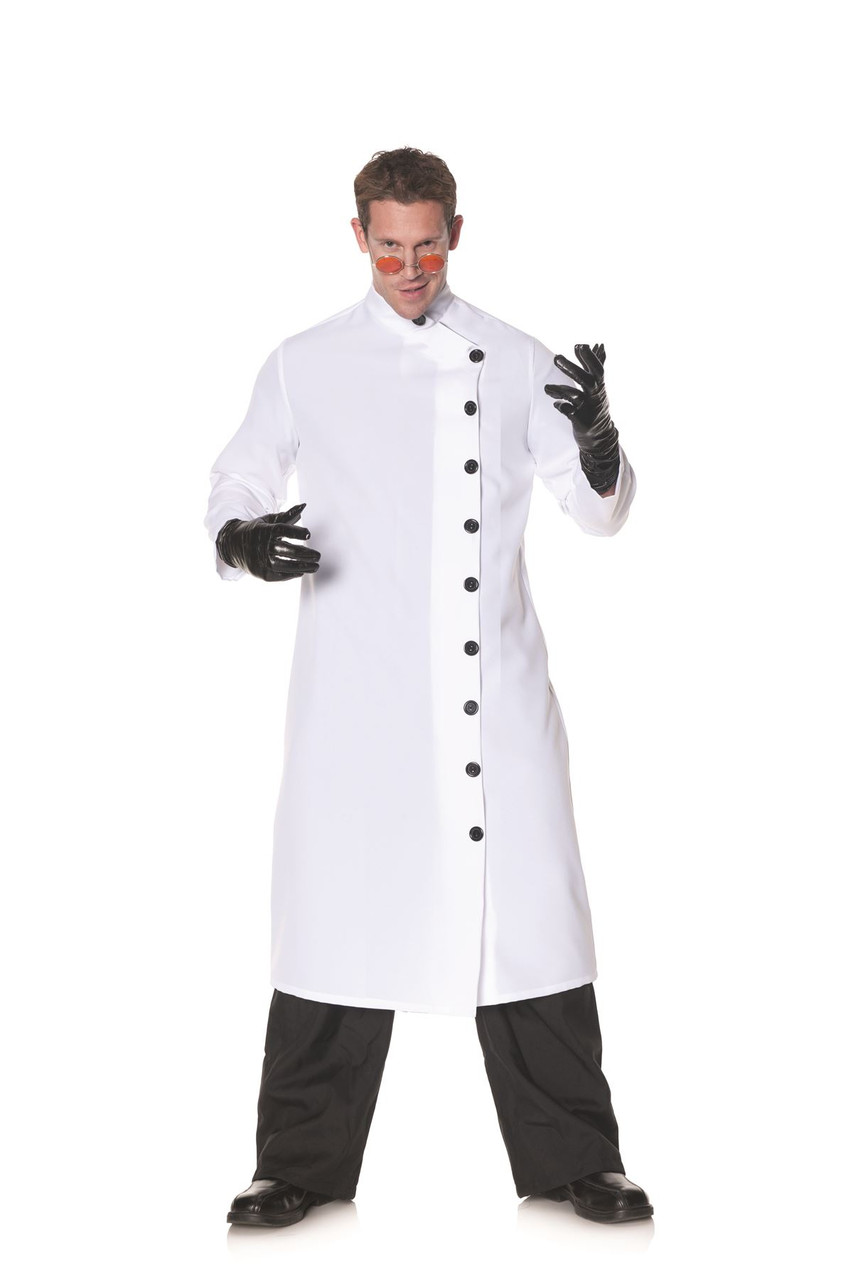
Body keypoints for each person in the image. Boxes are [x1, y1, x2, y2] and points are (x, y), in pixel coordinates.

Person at [204, 146, 653, 1227]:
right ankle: (295, 1163)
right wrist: (243, 538)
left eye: (428, 247)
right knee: (335, 922)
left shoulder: (517, 356)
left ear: (457, 232)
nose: (409, 268)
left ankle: (577, 1158)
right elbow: (236, 478)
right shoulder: (304, 362)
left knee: (531, 922)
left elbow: (597, 512)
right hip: (357, 701)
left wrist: (599, 442)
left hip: (494, 696)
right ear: (358, 236)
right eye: (389, 248)